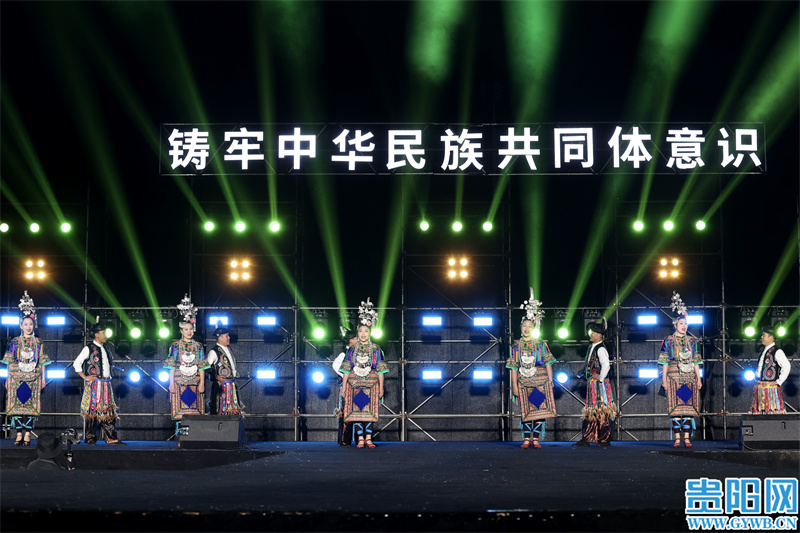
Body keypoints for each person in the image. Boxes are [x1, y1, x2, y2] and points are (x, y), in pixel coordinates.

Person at [507, 289, 556, 449]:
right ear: (521, 327)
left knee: (539, 409)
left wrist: (550, 381)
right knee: (525, 411)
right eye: (524, 326)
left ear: (534, 327)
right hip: (523, 382)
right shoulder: (516, 346)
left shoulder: (540, 344)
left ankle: (536, 438)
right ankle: (526, 438)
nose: (526, 328)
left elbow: (548, 362)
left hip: (539, 381)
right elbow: (513, 367)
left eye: (529, 326)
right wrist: (514, 386)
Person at [2, 291, 51, 446]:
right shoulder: (15, 341)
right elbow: (9, 361)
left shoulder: (38, 342)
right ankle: (18, 434)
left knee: (31, 407)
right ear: (21, 326)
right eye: (25, 324)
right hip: (16, 378)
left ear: (33, 325)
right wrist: (7, 379)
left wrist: (43, 378)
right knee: (16, 407)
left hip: (34, 378)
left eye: (30, 324)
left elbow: (42, 362)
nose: (28, 327)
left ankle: (28, 434)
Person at [340, 298, 388, 448]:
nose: (363, 334)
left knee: (370, 412)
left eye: (366, 331)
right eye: (360, 331)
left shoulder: (376, 349)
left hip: (372, 384)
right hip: (354, 384)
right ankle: (360, 438)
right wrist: (343, 387)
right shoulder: (352, 349)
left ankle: (368, 438)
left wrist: (381, 387)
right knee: (356, 412)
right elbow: (346, 368)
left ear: (370, 332)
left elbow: (381, 369)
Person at [658, 292, 703, 448]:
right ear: (675, 324)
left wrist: (699, 378)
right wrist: (664, 379)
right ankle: (677, 438)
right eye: (681, 323)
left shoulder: (692, 341)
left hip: (689, 377)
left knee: (688, 407)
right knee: (676, 408)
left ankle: (687, 438)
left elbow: (696, 361)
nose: (684, 326)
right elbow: (664, 361)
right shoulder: (668, 340)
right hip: (673, 377)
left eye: (686, 323)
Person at [73, 321, 126, 445]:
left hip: (106, 384)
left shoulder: (106, 348)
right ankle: (90, 438)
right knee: (92, 412)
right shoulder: (88, 348)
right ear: (96, 334)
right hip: (95, 384)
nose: (106, 335)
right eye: (103, 332)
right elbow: (76, 363)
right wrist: (85, 377)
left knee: (108, 411)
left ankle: (111, 437)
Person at [164, 295, 209, 420]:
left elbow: (202, 365)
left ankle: (194, 433)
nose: (189, 332)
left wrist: (202, 383)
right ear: (181, 331)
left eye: (191, 329)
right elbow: (171, 366)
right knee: (180, 414)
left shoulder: (198, 346)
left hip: (195, 381)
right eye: (186, 329)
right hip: (179, 381)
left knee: (196, 414)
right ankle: (180, 432)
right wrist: (171, 383)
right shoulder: (175, 345)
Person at [573, 318, 615, 447]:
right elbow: (591, 364)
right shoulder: (592, 347)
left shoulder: (601, 349)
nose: (591, 334)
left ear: (600, 335)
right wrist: (583, 372)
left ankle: (603, 439)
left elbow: (606, 365)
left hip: (599, 385)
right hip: (592, 384)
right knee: (592, 410)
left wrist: (601, 378)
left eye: (593, 333)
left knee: (601, 410)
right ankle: (589, 437)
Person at [750, 326, 791, 414]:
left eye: (764, 335)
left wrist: (778, 381)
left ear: (771, 337)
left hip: (770, 390)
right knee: (760, 413)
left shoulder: (777, 351)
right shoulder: (762, 350)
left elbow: (786, 366)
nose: (761, 337)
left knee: (771, 413)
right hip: (759, 387)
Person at [206, 325, 243, 416]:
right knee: (220, 408)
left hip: (232, 384)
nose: (229, 338)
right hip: (222, 386)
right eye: (227, 336)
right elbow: (206, 366)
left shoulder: (228, 349)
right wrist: (215, 376)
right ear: (220, 338)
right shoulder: (214, 351)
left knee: (233, 410)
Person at [333, 327, 358, 446]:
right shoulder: (345, 353)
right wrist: (347, 376)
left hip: (359, 386)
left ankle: (360, 439)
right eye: (356, 338)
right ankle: (344, 440)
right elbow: (335, 365)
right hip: (348, 387)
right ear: (351, 340)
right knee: (346, 413)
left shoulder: (359, 352)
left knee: (360, 412)